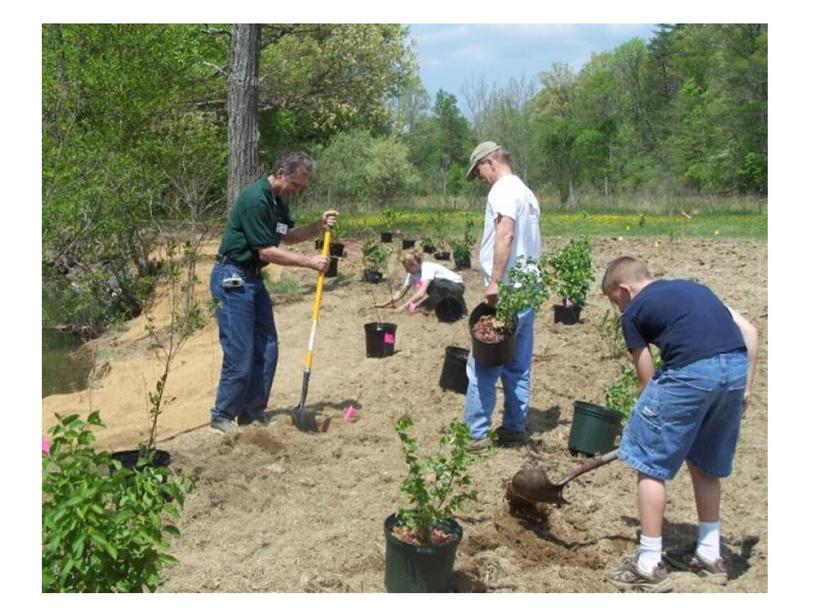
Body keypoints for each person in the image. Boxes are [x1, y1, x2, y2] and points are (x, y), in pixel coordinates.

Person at [601, 256, 758, 592]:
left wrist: (643, 425)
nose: (619, 309)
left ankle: (647, 564)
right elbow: (750, 331)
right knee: (704, 464)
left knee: (650, 465)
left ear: (625, 290)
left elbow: (647, 381)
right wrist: (745, 389)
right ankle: (709, 554)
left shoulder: (634, 313)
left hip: (691, 372)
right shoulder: (694, 287)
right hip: (734, 370)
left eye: (616, 301)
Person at [209, 151, 338, 434]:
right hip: (232, 277)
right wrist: (309, 262)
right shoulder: (255, 199)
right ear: (281, 173)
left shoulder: (278, 202)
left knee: (268, 348)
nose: (297, 191)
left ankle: (252, 412)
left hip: (253, 279)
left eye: (302, 187)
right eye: (296, 184)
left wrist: (318, 227)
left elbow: (286, 236)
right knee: (240, 352)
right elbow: (265, 250)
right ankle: (222, 416)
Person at [462, 141, 542, 453]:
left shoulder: (503, 189)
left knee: (484, 361)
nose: (480, 179)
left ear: (491, 162)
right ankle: (513, 428)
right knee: (518, 363)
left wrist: (495, 281)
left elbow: (506, 233)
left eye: (479, 171)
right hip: (527, 287)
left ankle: (477, 433)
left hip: (507, 289)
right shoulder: (527, 192)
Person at [375, 249, 466, 320]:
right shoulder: (411, 275)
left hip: (456, 287)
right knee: (413, 308)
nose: (406, 271)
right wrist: (384, 304)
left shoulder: (427, 268)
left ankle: (451, 305)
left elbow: (421, 293)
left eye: (408, 268)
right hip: (442, 290)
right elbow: (400, 293)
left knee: (434, 284)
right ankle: (445, 305)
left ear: (415, 264)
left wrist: (402, 307)